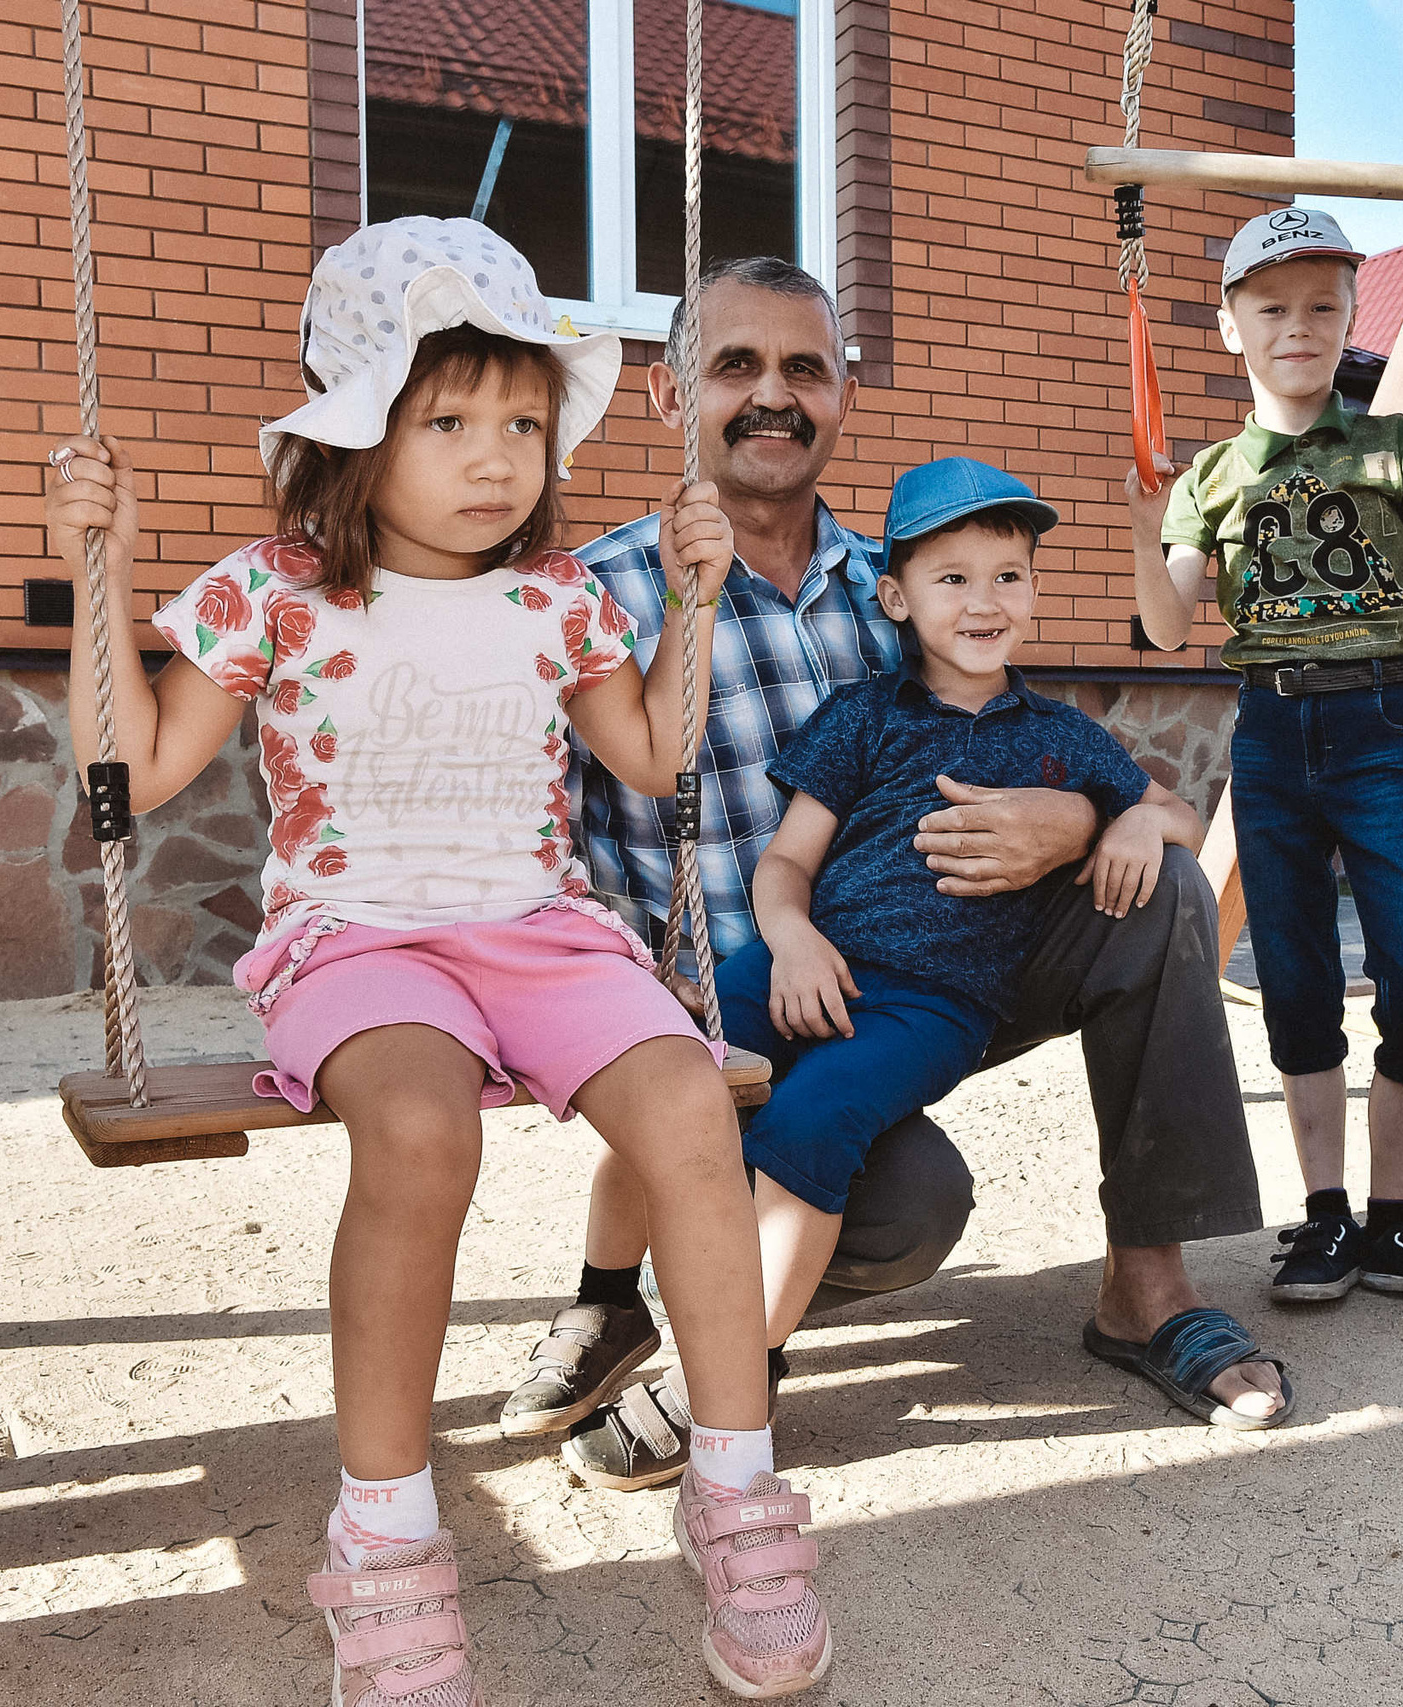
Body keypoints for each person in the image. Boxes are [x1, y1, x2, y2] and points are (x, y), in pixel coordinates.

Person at [42, 218, 830, 1702]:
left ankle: (736, 1488)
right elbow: (130, 775)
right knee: (412, 1132)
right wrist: (102, 565)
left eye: (525, 422)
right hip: (361, 938)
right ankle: (389, 1534)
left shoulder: (564, 600)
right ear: (354, 438)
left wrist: (697, 599)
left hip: (543, 928)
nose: (498, 456)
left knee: (689, 1110)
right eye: (450, 419)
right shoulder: (269, 590)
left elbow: (657, 756)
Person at [497, 257, 1288, 1469]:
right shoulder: (591, 599)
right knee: (905, 1209)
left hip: (928, 978)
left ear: (842, 397)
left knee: (1163, 889)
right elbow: (535, 852)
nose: (773, 396)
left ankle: (1150, 1289)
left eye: (803, 369)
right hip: (732, 1006)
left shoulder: (913, 587)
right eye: (736, 367)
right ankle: (642, 1301)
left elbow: (1132, 788)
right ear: (669, 395)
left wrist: (1081, 825)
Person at [1127, 207, 1403, 1310]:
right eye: (1272, 308)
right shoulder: (1209, 477)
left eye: (1323, 305)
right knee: (1293, 980)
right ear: (1230, 328)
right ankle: (1324, 1220)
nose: (1299, 326)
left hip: (1381, 732)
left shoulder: (1402, 450)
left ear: (1349, 317)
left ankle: (1395, 1222)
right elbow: (1167, 628)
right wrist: (1146, 530)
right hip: (1274, 733)